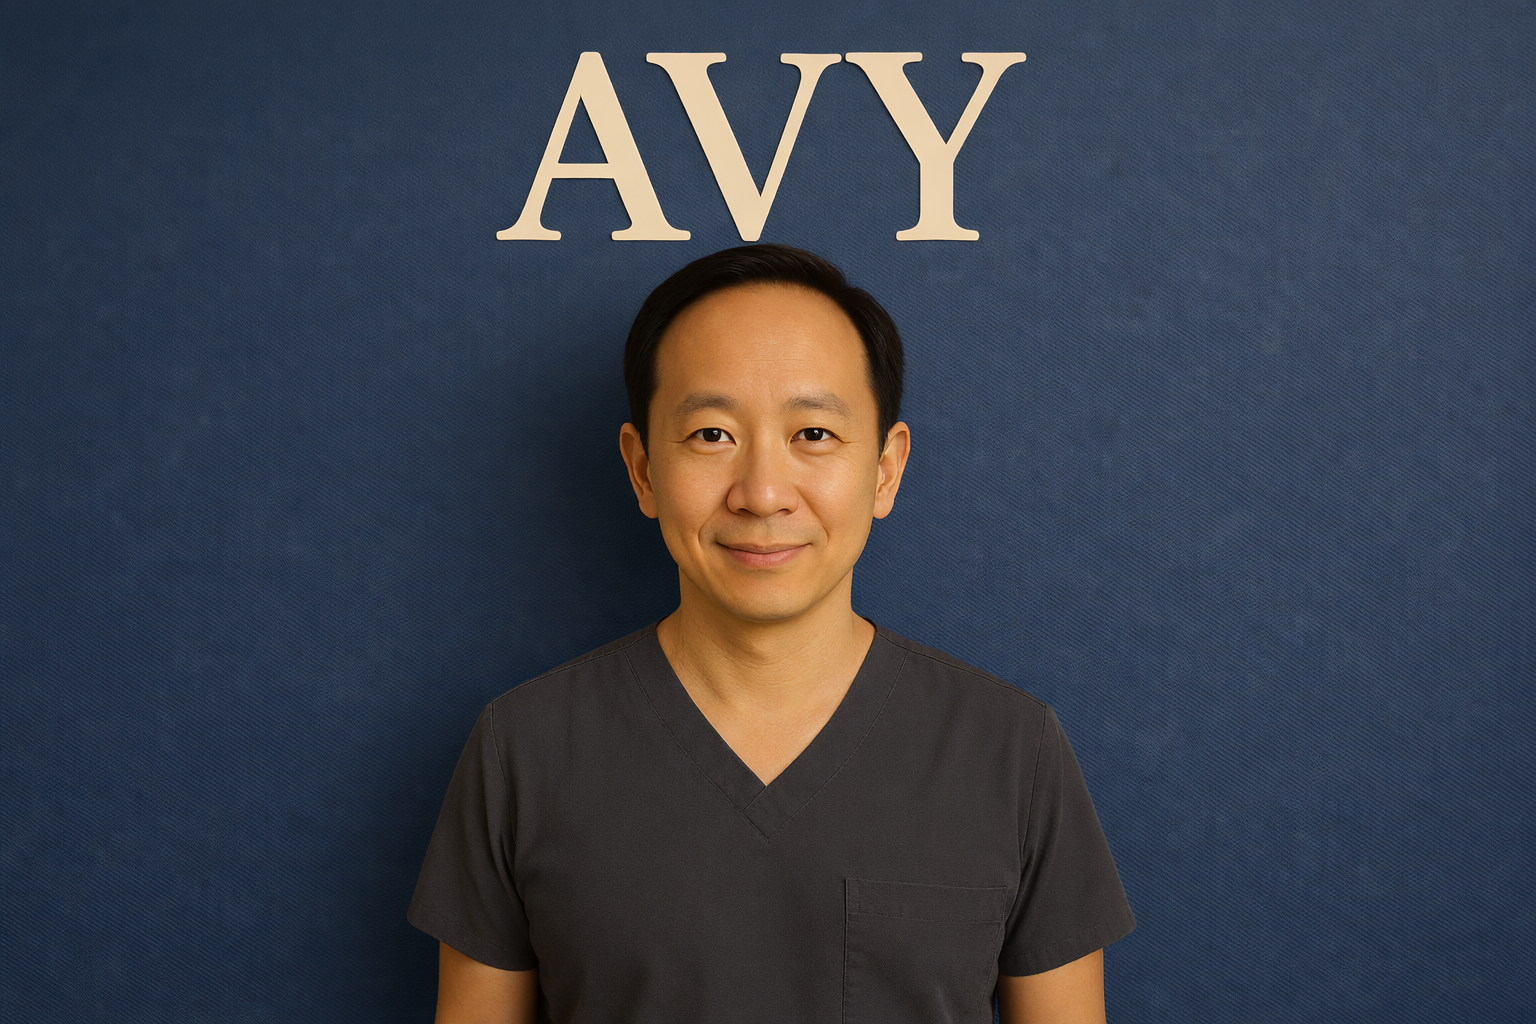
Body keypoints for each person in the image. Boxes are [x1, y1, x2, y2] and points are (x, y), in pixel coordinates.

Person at [407, 244, 1135, 1024]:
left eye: (813, 435)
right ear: (642, 468)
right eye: (712, 435)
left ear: (885, 469)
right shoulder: (523, 749)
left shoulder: (1009, 750)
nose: (761, 493)